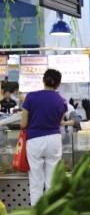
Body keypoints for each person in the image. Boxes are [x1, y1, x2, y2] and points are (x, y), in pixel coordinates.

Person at [20, 69, 67, 206]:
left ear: (43, 79)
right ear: (58, 84)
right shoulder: (62, 100)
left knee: (36, 181)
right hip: (54, 140)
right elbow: (59, 122)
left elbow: (23, 124)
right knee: (52, 181)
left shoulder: (31, 97)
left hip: (34, 140)